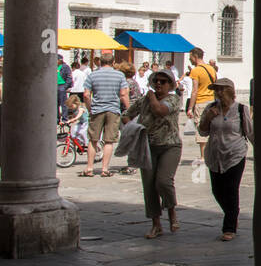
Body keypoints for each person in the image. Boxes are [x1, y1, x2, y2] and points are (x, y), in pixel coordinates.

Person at [123, 68, 183, 238]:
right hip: (147, 146)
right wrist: (133, 128)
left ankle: (171, 211)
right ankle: (156, 224)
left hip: (170, 145)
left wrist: (150, 97)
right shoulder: (144, 101)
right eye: (156, 80)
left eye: (163, 81)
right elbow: (126, 115)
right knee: (149, 186)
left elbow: (160, 111)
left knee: (163, 181)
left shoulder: (173, 99)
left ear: (170, 84)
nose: (158, 84)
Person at [199, 77, 254, 240]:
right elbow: (203, 132)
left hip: (235, 154)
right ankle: (232, 213)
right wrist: (208, 117)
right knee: (217, 191)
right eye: (216, 90)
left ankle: (229, 227)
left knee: (231, 190)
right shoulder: (210, 108)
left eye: (222, 89)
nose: (219, 93)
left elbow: (250, 132)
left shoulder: (240, 110)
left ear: (231, 91)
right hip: (215, 155)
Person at [81, 52, 131, 177]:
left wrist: (89, 107)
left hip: (97, 109)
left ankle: (89, 168)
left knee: (93, 140)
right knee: (109, 141)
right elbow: (124, 94)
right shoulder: (119, 75)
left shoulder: (93, 75)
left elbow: (86, 95)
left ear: (100, 62)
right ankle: (104, 169)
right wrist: (129, 109)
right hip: (113, 110)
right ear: (113, 63)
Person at [187, 47, 218, 163]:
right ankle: (212, 153)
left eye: (190, 58)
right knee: (212, 127)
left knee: (201, 128)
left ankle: (203, 156)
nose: (190, 60)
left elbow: (194, 90)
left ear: (195, 57)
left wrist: (190, 107)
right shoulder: (212, 69)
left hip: (201, 101)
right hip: (212, 101)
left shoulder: (196, 70)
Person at [55, 53, 71, 121]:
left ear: (59, 60)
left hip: (62, 86)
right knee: (56, 103)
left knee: (63, 104)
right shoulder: (54, 66)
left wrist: (65, 86)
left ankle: (65, 118)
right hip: (55, 86)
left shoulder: (65, 67)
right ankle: (57, 118)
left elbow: (69, 77)